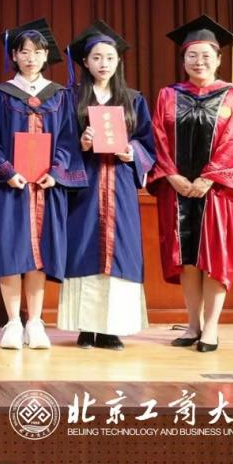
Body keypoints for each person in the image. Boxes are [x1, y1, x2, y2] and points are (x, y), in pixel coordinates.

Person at [0, 18, 86, 350]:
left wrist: (57, 170)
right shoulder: (0, 95)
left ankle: (35, 322)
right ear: (14, 55)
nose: (31, 58)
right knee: (10, 251)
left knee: (40, 255)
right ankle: (12, 321)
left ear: (46, 55)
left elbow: (67, 140)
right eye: (24, 51)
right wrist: (7, 171)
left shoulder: (60, 96)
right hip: (10, 186)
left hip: (46, 187)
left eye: (37, 52)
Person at [148, 15, 233, 353]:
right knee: (188, 259)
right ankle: (193, 323)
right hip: (177, 189)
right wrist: (172, 175)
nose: (199, 61)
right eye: (192, 55)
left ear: (219, 59)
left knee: (214, 257)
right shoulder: (168, 95)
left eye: (206, 55)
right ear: (183, 60)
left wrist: (208, 178)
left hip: (219, 191)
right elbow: (157, 138)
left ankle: (211, 327)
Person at [60, 20, 154, 351]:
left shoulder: (133, 99)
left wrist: (131, 152)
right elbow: (60, 142)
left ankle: (112, 328)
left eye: (110, 58)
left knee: (120, 252)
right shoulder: (71, 98)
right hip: (86, 185)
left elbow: (147, 143)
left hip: (120, 187)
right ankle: (87, 328)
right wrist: (81, 144)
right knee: (84, 249)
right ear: (85, 62)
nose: (104, 64)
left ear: (118, 61)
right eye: (97, 57)